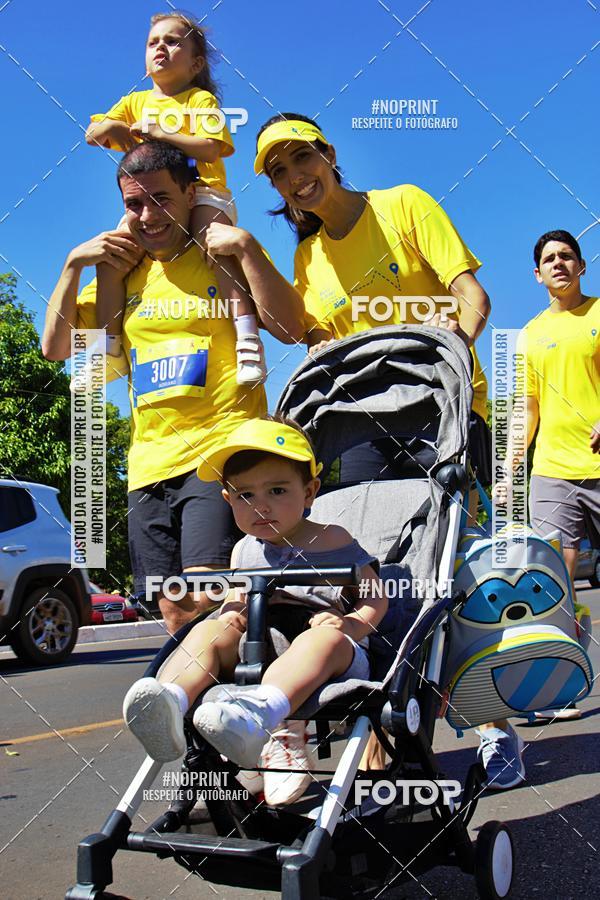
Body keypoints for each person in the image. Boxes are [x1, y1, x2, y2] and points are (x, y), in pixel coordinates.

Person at [201, 114, 523, 787]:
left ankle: (496, 728)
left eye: (302, 161)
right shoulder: (308, 256)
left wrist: (453, 358)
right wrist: (243, 255)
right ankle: (377, 752)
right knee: (369, 583)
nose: (296, 179)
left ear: (330, 155)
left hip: (448, 421)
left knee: (458, 582)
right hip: (366, 433)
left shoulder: (405, 204)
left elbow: (472, 297)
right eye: (280, 173)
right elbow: (303, 332)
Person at [42, 143, 300, 634]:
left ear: (189, 193)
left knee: (208, 594)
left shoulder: (218, 251)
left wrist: (246, 246)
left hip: (218, 452)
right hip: (147, 466)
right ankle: (195, 706)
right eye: (134, 204)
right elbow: (56, 347)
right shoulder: (120, 271)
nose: (148, 215)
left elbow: (289, 329)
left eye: (161, 199)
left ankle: (255, 701)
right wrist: (73, 265)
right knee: (173, 610)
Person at [123, 417, 385, 806]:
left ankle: (264, 716)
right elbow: (238, 603)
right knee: (209, 631)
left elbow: (375, 596)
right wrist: (231, 615)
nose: (260, 506)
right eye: (244, 495)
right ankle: (171, 700)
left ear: (310, 491)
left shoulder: (331, 539)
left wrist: (350, 624)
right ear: (227, 499)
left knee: (320, 637)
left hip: (332, 652)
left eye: (277, 491)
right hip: (261, 645)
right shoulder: (244, 550)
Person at [85, 11, 266, 385]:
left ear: (196, 62)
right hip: (154, 199)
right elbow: (93, 132)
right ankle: (108, 350)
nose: (160, 48)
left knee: (216, 244)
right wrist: (115, 128)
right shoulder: (134, 101)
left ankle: (247, 338)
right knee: (113, 256)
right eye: (153, 42)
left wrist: (161, 136)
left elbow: (212, 148)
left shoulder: (199, 100)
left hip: (204, 194)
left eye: (172, 41)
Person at [500, 229, 599, 721]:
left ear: (581, 266)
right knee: (551, 582)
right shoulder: (531, 334)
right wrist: (508, 467)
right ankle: (561, 687)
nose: (559, 263)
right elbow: (527, 406)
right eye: (549, 259)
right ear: (536, 275)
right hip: (554, 473)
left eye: (567, 256)